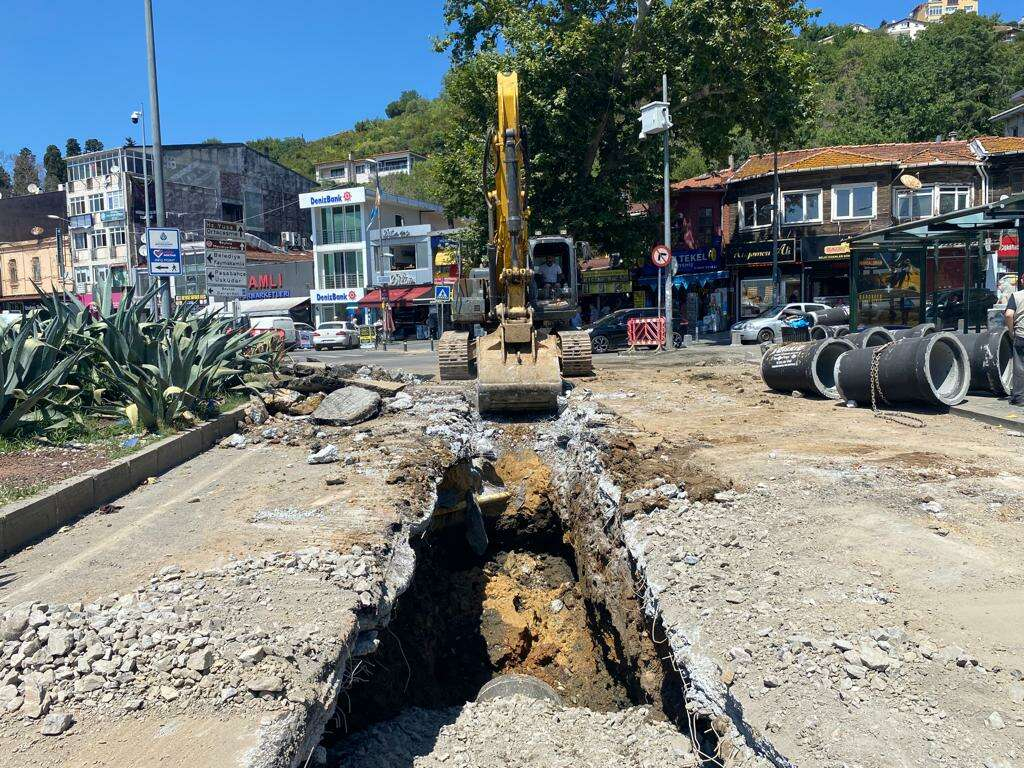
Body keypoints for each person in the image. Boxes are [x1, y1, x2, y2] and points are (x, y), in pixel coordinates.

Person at [1005, 278, 1024, 406]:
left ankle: (1019, 398)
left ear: (1022, 281)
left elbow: (1008, 314)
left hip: (1021, 335)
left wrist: (1011, 331)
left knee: (1020, 367)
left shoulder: (1016, 296)